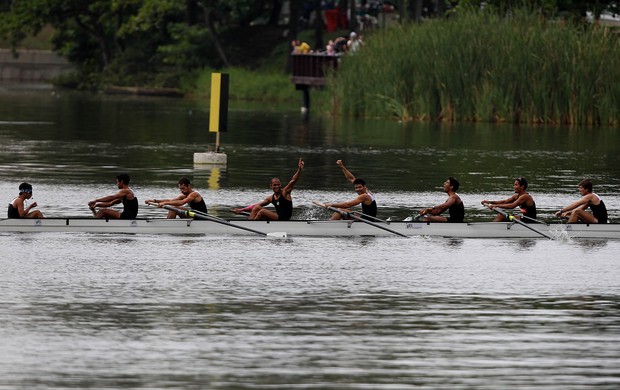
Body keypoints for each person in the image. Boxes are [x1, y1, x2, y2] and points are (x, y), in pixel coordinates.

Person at [233, 158, 304, 221]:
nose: (277, 186)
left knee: (262, 211)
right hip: (277, 217)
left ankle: (252, 224)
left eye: (278, 184)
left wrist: (299, 169)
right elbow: (254, 206)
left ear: (280, 185)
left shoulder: (285, 192)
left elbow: (293, 180)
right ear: (271, 186)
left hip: (284, 219)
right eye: (274, 185)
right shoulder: (271, 198)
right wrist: (241, 210)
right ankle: (251, 223)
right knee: (257, 207)